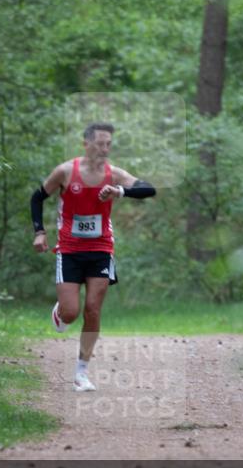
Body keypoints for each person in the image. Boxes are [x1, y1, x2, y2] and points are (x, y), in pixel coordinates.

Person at [30, 122, 156, 391]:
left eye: (109, 144)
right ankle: (61, 312)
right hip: (69, 250)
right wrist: (39, 232)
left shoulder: (114, 174)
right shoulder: (65, 171)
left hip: (101, 250)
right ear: (85, 143)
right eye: (100, 143)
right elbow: (36, 198)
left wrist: (120, 191)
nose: (105, 148)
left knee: (93, 310)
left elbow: (148, 189)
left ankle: (81, 372)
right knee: (72, 312)